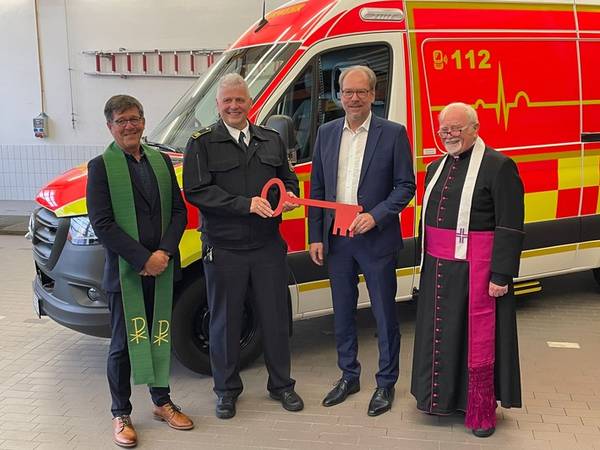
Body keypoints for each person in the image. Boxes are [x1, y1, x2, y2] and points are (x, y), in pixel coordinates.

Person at [183, 73, 303, 419]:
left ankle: (281, 385)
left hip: (267, 245)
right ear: (218, 105)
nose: (234, 106)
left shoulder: (271, 139)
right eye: (228, 101)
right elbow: (197, 191)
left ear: (250, 102)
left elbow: (287, 177)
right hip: (225, 248)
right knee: (225, 321)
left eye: (240, 100)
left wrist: (289, 194)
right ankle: (226, 391)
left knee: (276, 318)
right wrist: (245, 204)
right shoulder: (202, 143)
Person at [411, 102, 524, 437]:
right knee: (442, 335)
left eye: (456, 129)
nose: (449, 135)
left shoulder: (499, 166)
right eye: (444, 129)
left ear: (475, 128)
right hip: (439, 269)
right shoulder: (435, 167)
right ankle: (439, 400)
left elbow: (510, 224)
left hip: (478, 273)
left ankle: (479, 407)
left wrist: (501, 275)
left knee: (474, 340)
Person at [308, 65, 416, 416]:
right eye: (347, 92)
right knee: (342, 312)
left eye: (361, 92)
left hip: (376, 239)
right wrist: (316, 236)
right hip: (337, 240)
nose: (354, 98)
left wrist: (377, 215)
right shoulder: (326, 133)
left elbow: (406, 186)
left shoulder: (393, 133)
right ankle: (348, 375)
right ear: (338, 95)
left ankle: (386, 382)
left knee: (384, 314)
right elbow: (318, 188)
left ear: (373, 95)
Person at [87, 95, 193, 448]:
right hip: (127, 273)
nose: (129, 126)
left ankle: (162, 402)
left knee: (160, 335)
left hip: (162, 269)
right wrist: (143, 259)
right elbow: (102, 223)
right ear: (110, 127)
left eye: (134, 118)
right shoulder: (101, 167)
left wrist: (164, 253)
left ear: (143, 122)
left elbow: (179, 212)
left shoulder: (160, 161)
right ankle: (121, 412)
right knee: (122, 345)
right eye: (121, 121)